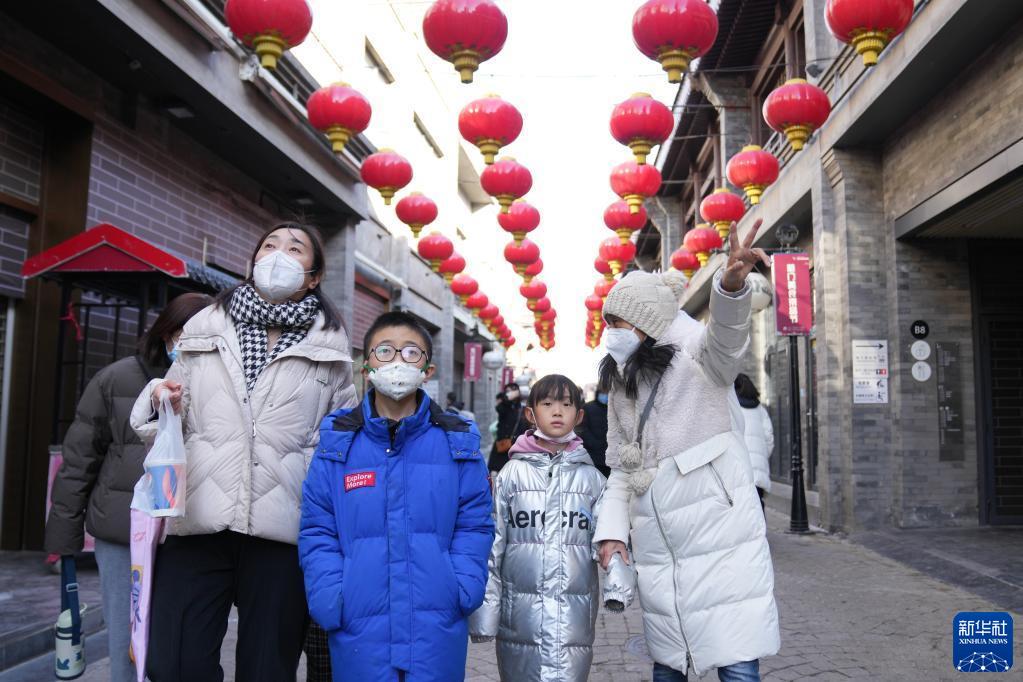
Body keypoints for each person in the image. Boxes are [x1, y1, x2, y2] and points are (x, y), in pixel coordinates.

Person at [130, 222, 357, 682]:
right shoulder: (204, 330)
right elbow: (164, 424)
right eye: (269, 245)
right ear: (253, 262)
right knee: (173, 664)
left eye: (294, 248)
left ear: (314, 276)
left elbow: (342, 444)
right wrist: (160, 402)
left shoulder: (332, 351)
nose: (278, 254)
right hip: (199, 517)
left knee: (266, 670)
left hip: (284, 531)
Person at [594, 221, 781, 682]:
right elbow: (620, 468)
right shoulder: (621, 382)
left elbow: (727, 340)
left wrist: (730, 288)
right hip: (661, 550)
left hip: (721, 541)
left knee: (737, 662)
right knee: (669, 663)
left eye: (618, 323)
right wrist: (613, 534)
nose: (611, 332)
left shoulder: (698, 355)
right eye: (608, 323)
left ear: (645, 323)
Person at [299, 311, 494, 682]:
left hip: (436, 619)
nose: (398, 361)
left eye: (411, 352)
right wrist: (330, 595)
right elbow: (318, 527)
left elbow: (475, 523)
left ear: (428, 370)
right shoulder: (339, 442)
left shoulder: (457, 440)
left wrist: (462, 587)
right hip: (359, 620)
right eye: (385, 351)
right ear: (367, 366)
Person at [43, 293, 212, 682]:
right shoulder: (116, 379)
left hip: (188, 535)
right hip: (123, 533)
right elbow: (79, 460)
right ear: (166, 333)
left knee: (180, 644)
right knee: (127, 639)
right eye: (183, 334)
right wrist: (64, 537)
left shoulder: (216, 387)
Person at [469, 374, 631, 682]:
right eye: (547, 404)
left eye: (566, 405)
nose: (557, 412)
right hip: (519, 619)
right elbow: (492, 546)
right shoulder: (511, 476)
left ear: (578, 416)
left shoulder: (592, 480)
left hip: (573, 619)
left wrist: (619, 586)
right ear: (531, 414)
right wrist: (484, 616)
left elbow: (610, 538)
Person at [734, 373, 774, 511]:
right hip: (759, 468)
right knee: (758, 508)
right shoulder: (761, 410)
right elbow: (769, 438)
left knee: (743, 511)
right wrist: (761, 456)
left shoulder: (733, 409)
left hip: (740, 470)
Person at [489, 382, 526, 473]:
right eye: (508, 391)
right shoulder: (504, 407)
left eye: (513, 390)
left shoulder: (522, 409)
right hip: (503, 444)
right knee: (497, 471)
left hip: (517, 446)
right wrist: (507, 398)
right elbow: (499, 409)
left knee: (514, 472)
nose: (510, 393)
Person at [576, 390, 610, 477]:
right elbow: (582, 428)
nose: (605, 396)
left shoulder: (613, 408)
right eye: (604, 393)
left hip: (610, 455)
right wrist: (592, 443)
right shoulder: (588, 407)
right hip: (593, 454)